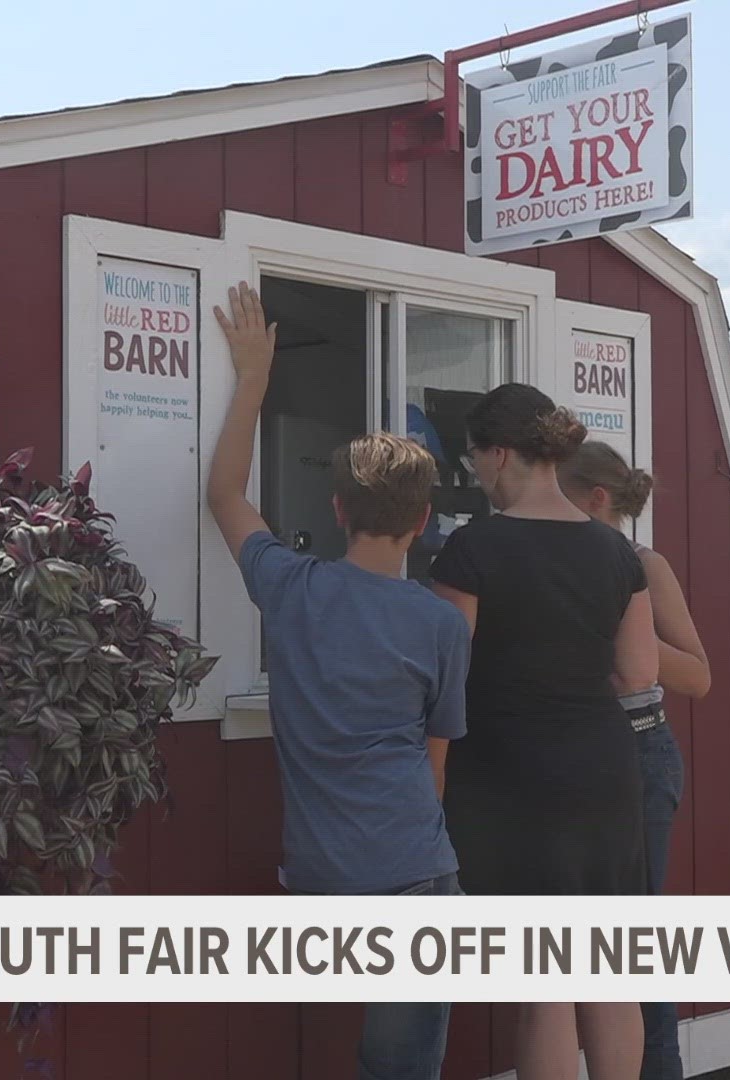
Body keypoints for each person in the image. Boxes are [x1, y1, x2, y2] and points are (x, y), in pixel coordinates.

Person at [205, 281, 471, 1080]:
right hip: (415, 873)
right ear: (422, 521)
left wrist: (253, 376)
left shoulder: (292, 588)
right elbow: (435, 762)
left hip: (320, 877)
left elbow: (223, 495)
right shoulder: (439, 623)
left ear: (335, 507)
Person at [425, 384, 660, 1080]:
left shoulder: (472, 550)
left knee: (545, 989)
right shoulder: (616, 552)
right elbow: (640, 671)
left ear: (500, 454)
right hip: (604, 772)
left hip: (509, 780)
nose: (477, 478)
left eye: (474, 464)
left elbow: (446, 676)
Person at [558, 442, 712, 1080]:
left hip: (637, 749)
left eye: (557, 497)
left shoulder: (645, 564)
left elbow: (699, 676)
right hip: (566, 754)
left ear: (597, 500)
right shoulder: (547, 561)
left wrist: (622, 635)